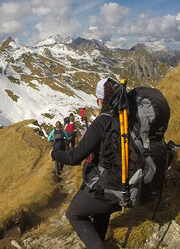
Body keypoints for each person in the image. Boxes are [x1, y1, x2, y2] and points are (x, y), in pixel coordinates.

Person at [50, 77, 121, 249]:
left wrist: (55, 154)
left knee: (73, 213)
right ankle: (99, 239)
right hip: (128, 181)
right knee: (100, 212)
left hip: (109, 187)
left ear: (100, 99)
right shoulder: (124, 117)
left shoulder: (101, 123)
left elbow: (74, 157)